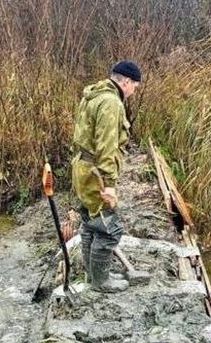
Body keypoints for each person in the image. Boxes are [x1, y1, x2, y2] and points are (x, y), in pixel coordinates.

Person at [71, 60, 141, 293]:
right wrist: (109, 185)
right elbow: (107, 147)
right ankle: (101, 281)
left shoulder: (93, 95)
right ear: (126, 81)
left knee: (91, 224)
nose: (133, 92)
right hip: (96, 174)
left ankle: (93, 275)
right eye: (135, 86)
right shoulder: (111, 103)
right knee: (109, 229)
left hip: (83, 168)